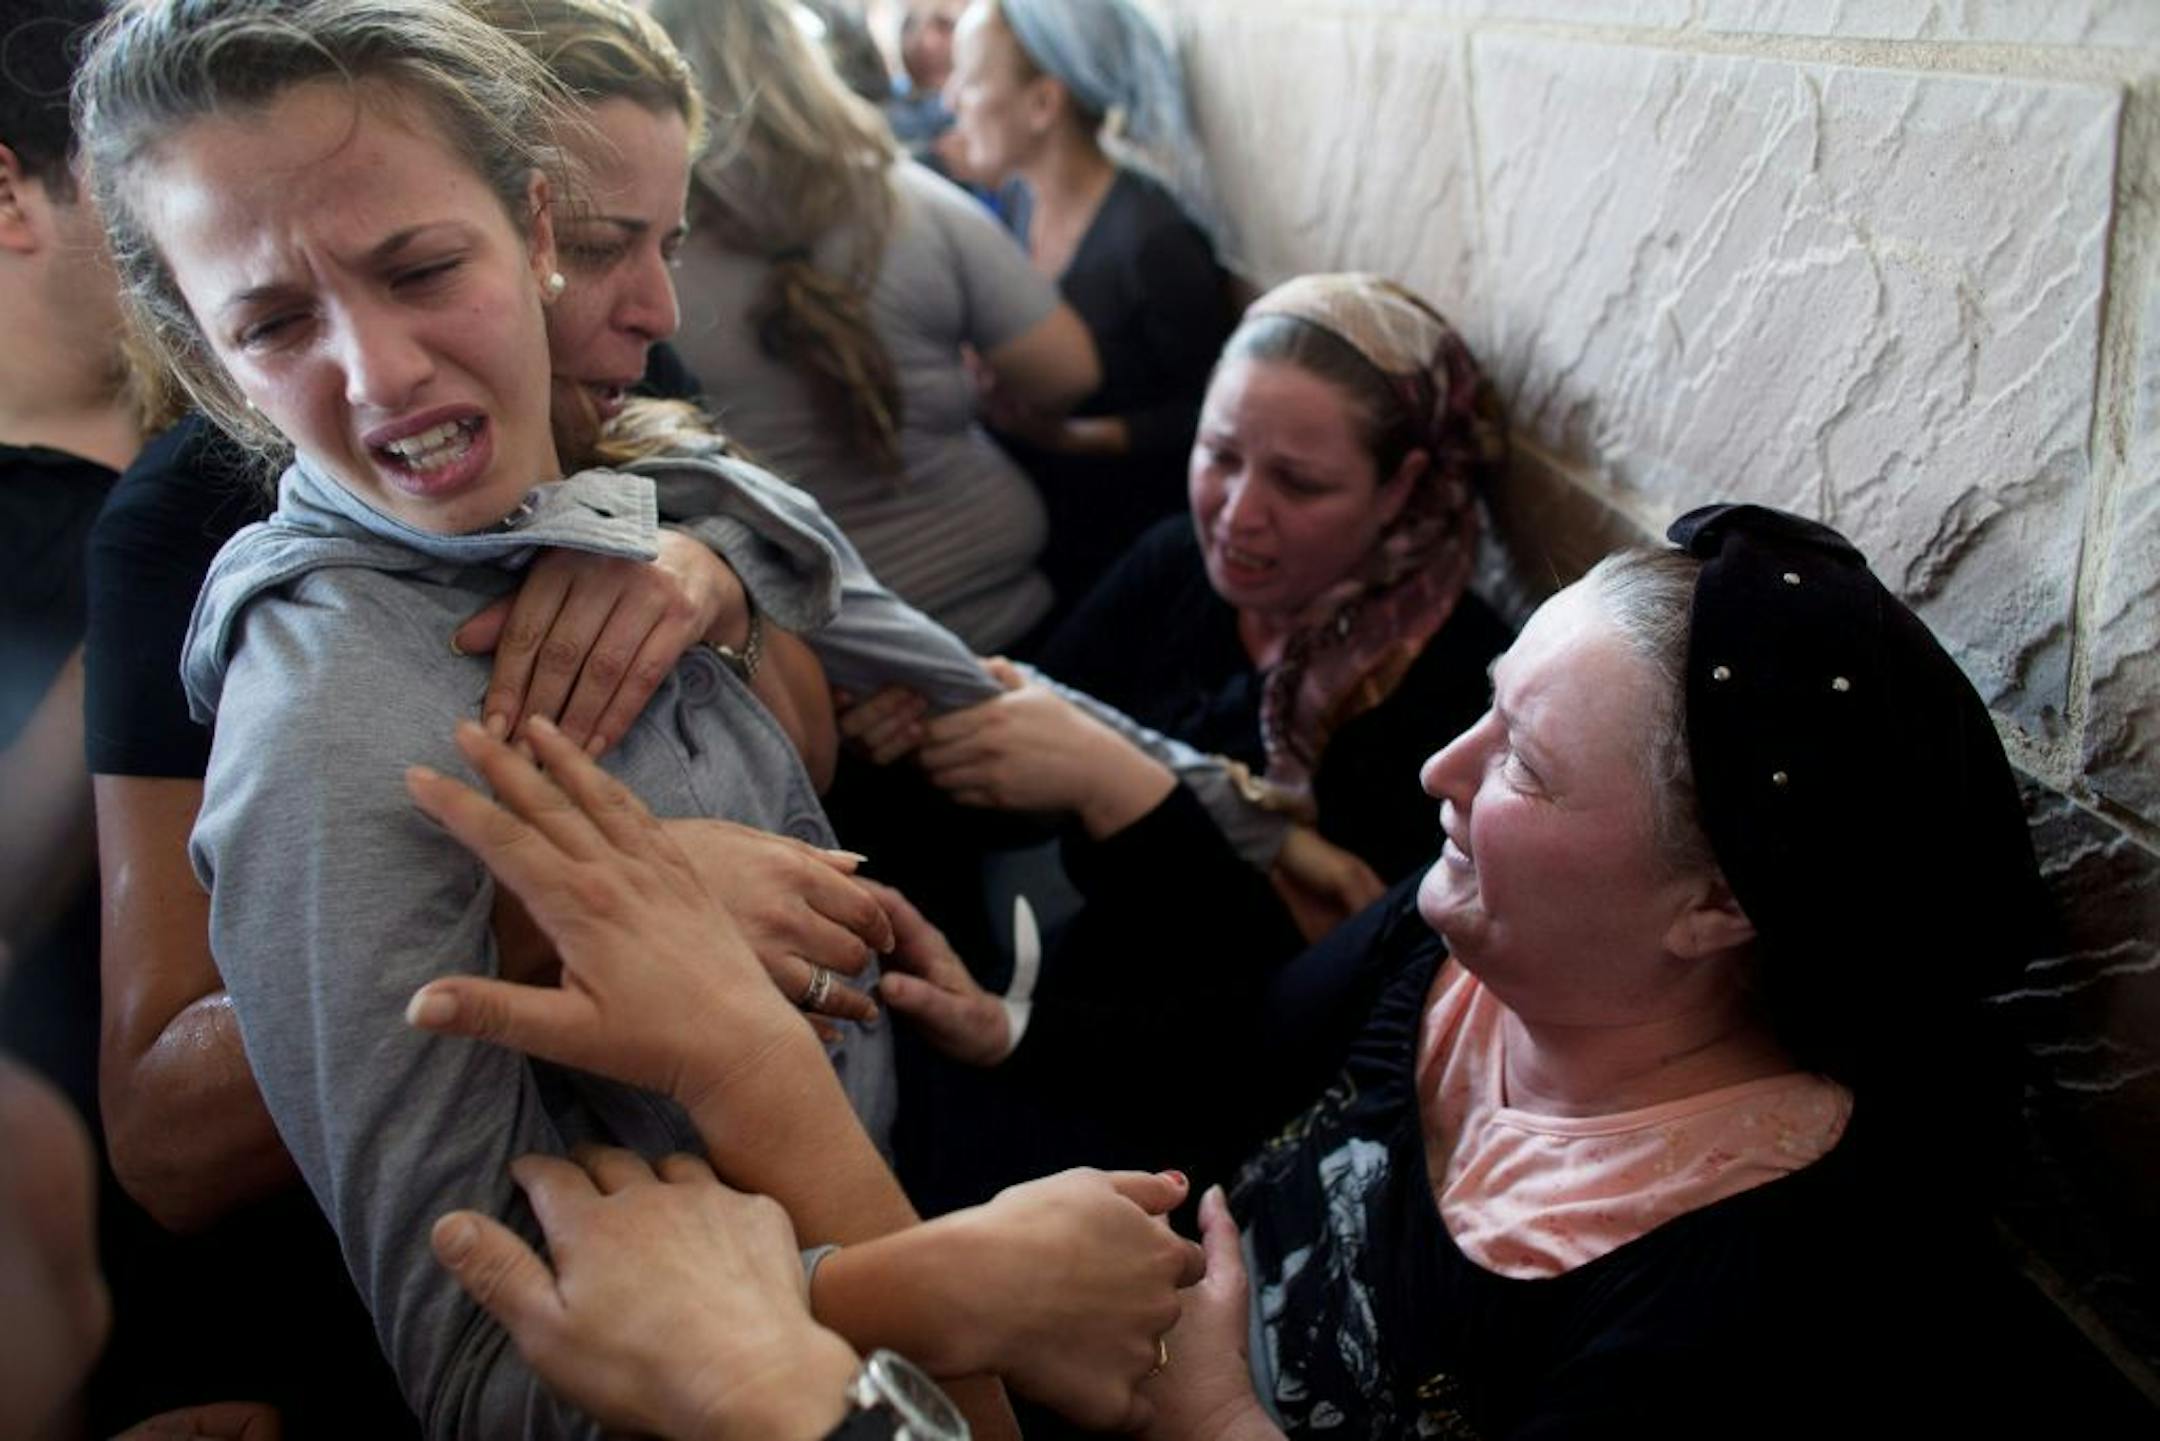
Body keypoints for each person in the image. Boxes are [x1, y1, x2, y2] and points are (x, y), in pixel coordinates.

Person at [77, 2, 1233, 1432]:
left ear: (533, 224)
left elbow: (832, 628)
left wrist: (715, 584)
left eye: (425, 267)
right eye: (271, 323)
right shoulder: (328, 718)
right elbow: (485, 1377)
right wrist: (929, 1286)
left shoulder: (584, 476)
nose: (380, 374)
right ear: (201, 357)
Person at [1125, 504, 2048, 1437]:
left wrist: (1207, 1412)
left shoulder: (1756, 1290)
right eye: (1490, 704)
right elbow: (1230, 1063)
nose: (1442, 769)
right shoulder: (1477, 929)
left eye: (1521, 761)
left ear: (1716, 904)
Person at [860, 276, 1512, 1204]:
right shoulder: (1180, 565)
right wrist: (932, 732)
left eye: (1299, 482)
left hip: (1205, 1131)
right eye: (1220, 454)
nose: (1240, 514)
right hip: (1061, 1013)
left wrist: (1121, 785)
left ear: (1402, 489)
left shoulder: (1458, 695)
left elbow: (1286, 1022)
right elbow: (1022, 751)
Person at [657, 0, 1098, 654]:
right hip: (1019, 608)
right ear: (809, 65)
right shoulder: (906, 199)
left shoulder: (655, 268)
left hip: (839, 652)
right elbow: (1069, 374)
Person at [945, 0, 1232, 614]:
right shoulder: (1020, 204)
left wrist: (1077, 438)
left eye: (969, 81)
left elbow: (1212, 419)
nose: (950, 102)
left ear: (1043, 104)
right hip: (1053, 533)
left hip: (1133, 554)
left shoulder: (1153, 240)